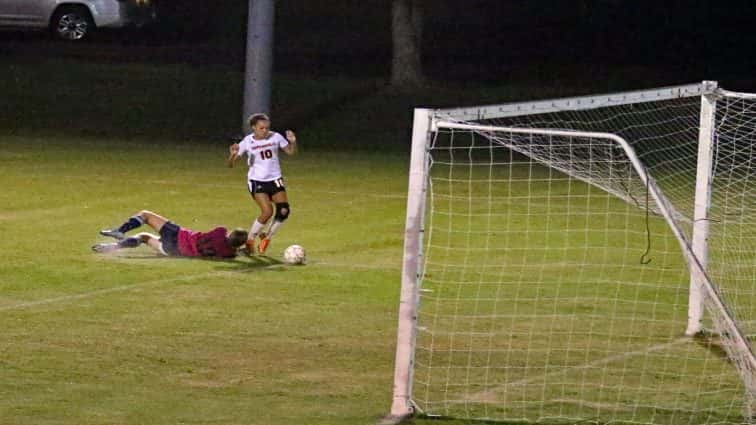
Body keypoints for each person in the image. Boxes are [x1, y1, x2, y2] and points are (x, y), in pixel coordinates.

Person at [227, 113, 297, 255]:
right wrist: (233, 155)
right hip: (257, 181)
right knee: (267, 212)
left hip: (275, 179)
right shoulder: (247, 141)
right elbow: (230, 164)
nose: (265, 130)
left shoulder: (276, 137)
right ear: (253, 128)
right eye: (261, 128)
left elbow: (290, 152)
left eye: (267, 128)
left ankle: (267, 237)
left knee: (284, 211)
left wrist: (293, 141)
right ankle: (250, 241)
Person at [92, 210, 248, 259]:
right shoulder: (229, 254)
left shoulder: (221, 232)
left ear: (231, 234)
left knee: (146, 215)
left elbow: (224, 234)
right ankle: (112, 247)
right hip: (174, 251)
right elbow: (233, 249)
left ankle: (120, 231)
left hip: (178, 236)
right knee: (144, 237)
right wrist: (244, 249)